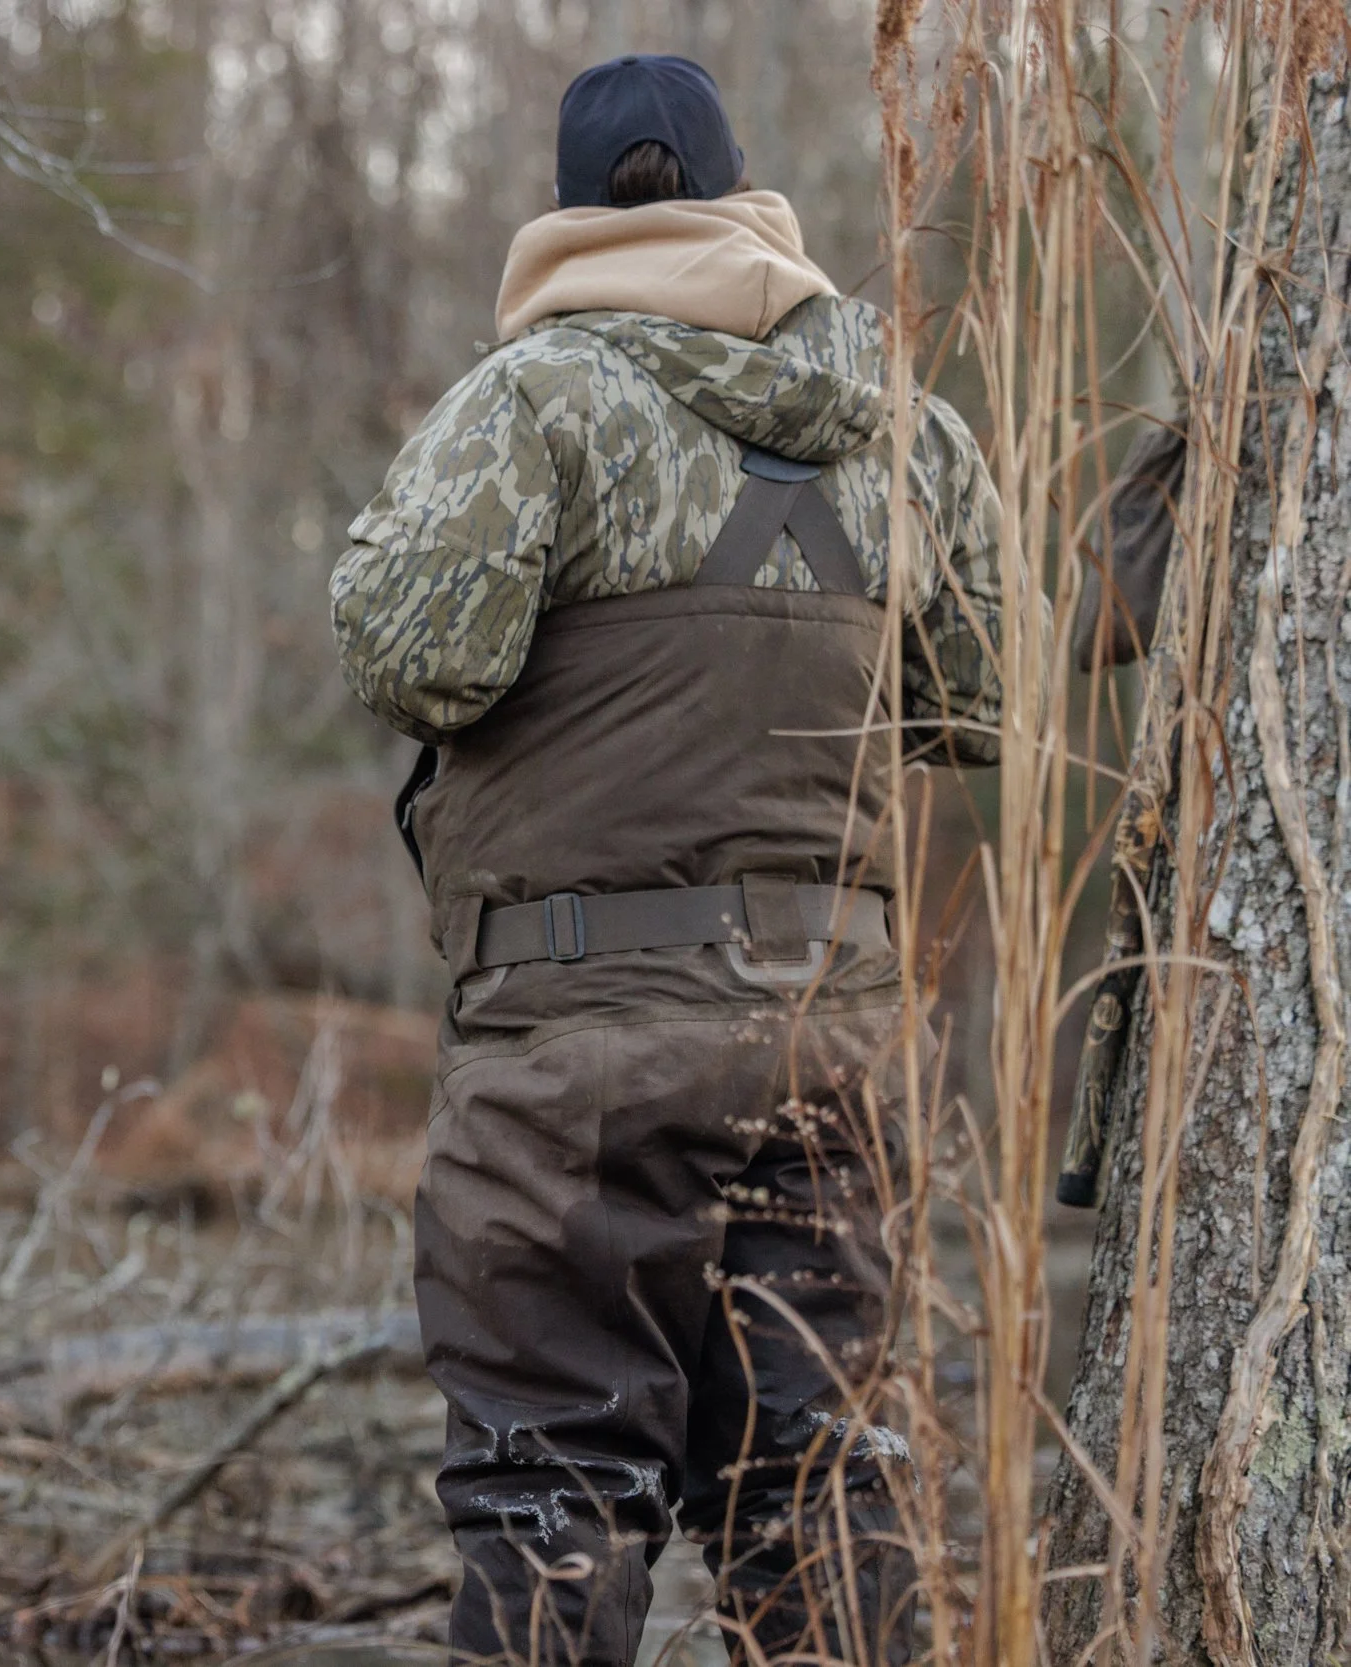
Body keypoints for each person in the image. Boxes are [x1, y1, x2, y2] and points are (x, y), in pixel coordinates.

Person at [329, 54, 1006, 1667]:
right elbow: (988, 701)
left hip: (579, 1048)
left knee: (552, 1480)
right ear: (743, 194)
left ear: (566, 216)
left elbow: (414, 659)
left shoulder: (530, 404)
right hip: (829, 1040)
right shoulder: (904, 426)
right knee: (824, 1484)